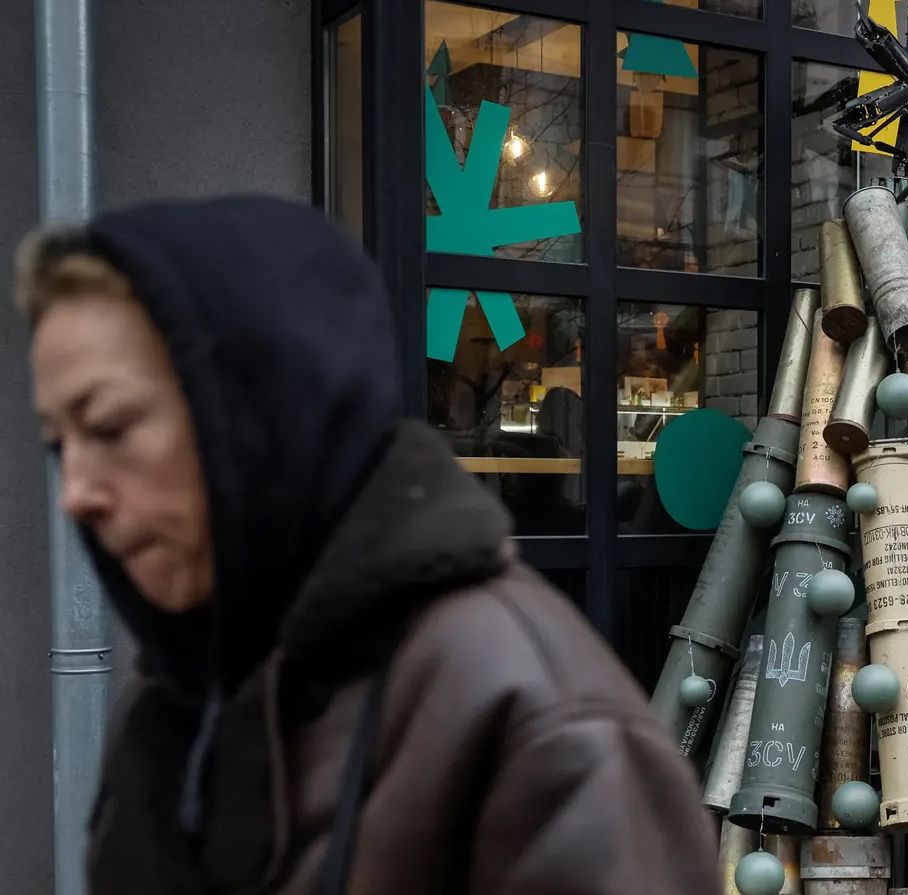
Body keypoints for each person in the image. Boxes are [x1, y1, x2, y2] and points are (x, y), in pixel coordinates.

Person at [17, 196, 721, 894]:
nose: (74, 491)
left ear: (262, 407)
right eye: (58, 443)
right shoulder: (175, 693)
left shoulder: (542, 726)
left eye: (108, 426)